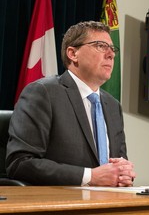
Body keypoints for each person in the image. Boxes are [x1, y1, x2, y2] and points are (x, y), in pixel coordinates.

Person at [6, 21, 136, 186]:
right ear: (73, 53)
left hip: (110, 202)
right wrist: (90, 176)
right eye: (101, 46)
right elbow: (20, 163)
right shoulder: (43, 93)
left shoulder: (113, 106)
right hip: (59, 203)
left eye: (112, 49)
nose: (111, 54)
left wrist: (124, 173)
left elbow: (119, 162)